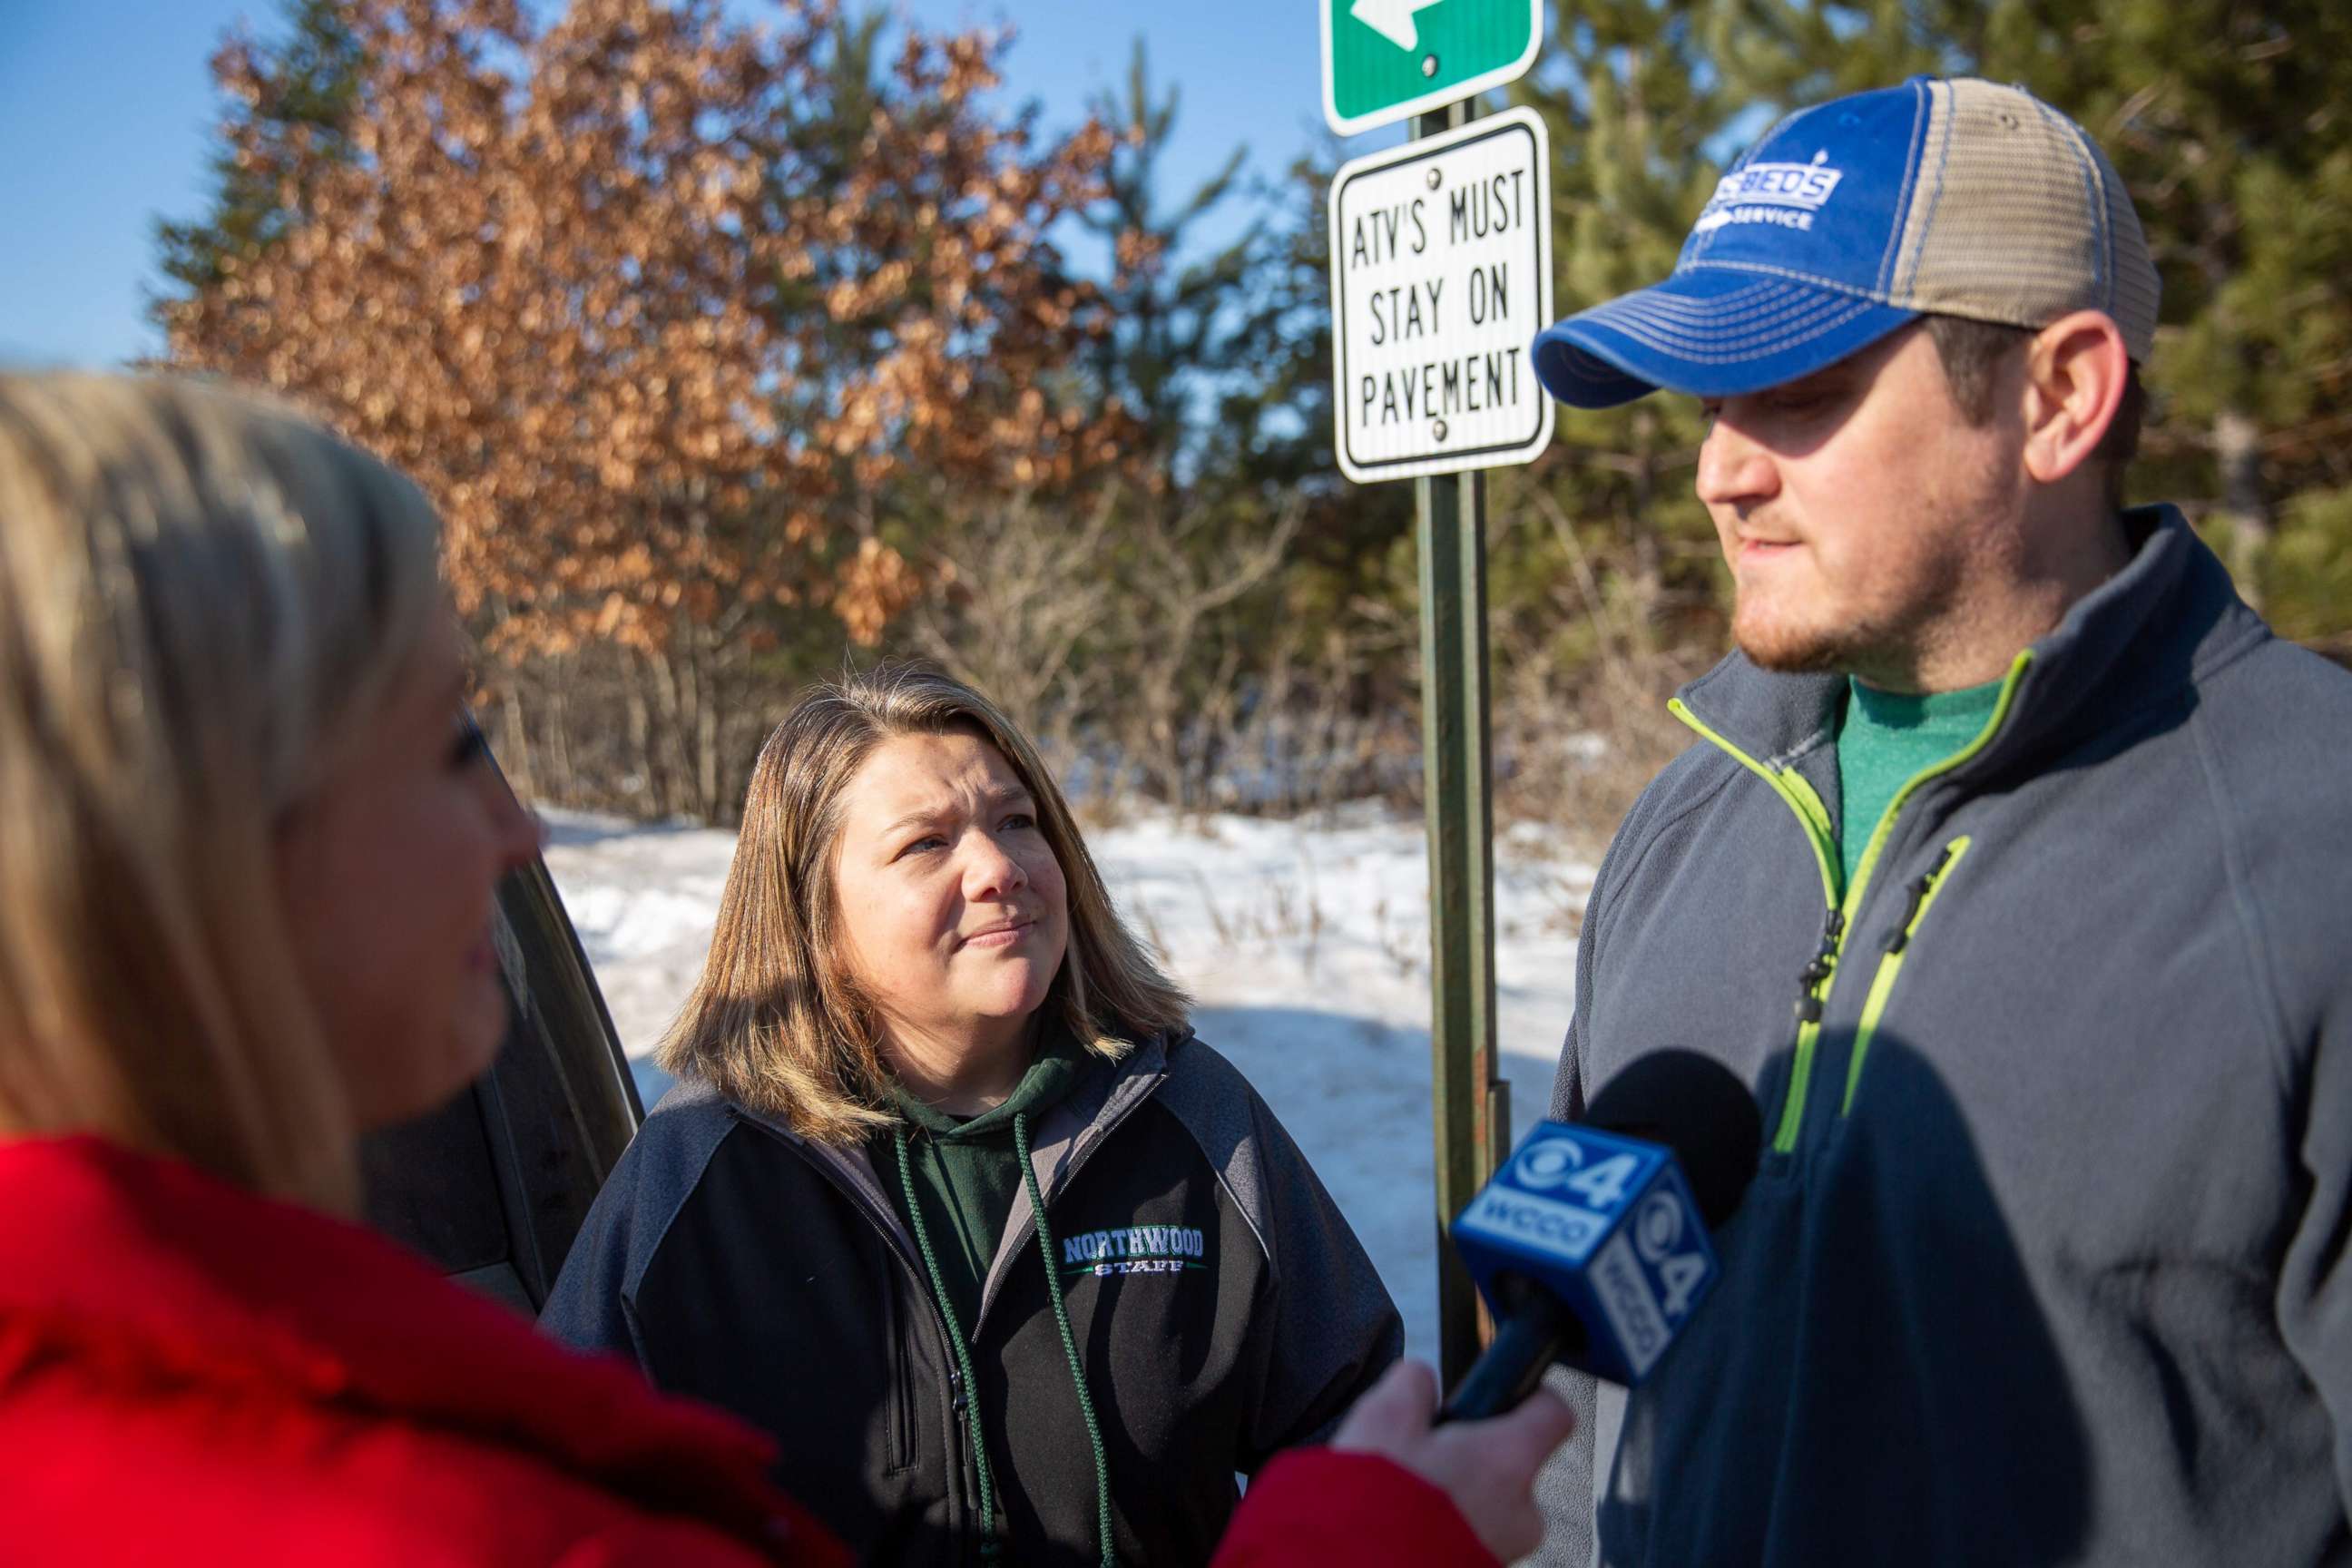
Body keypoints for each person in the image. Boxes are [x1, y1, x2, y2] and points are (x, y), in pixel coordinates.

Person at [0, 371, 1570, 1567]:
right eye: (446, 739)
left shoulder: (1188, 1116)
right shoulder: (654, 1222)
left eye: (1017, 818)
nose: (520, 819)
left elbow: (1341, 1401)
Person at [1525, 76, 2352, 1566]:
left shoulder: (2315, 839)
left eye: (1796, 385)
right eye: (1711, 401)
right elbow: (1591, 1402)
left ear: (2059, 395)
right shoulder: (1684, 819)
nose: (1718, 467)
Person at [541, 663, 1411, 1567]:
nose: (999, 869)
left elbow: (1358, 1432)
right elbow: (552, 1501)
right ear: (816, 917)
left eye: (1017, 822)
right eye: (926, 844)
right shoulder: (699, 1165)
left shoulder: (1190, 1112)